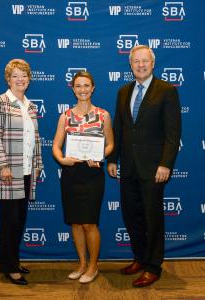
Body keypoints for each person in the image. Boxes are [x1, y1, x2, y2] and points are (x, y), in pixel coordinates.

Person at [107, 45, 181, 287]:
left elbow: (173, 133)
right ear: (130, 64)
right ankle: (139, 258)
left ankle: (153, 266)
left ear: (153, 63)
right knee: (131, 216)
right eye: (136, 61)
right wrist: (112, 159)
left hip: (153, 169)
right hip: (128, 167)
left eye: (145, 61)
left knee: (152, 218)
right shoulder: (123, 92)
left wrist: (165, 164)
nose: (140, 65)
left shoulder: (167, 91)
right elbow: (118, 128)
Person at [52, 71, 114, 284]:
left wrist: (99, 156)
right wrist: (62, 160)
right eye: (78, 86)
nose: (83, 90)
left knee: (89, 223)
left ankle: (93, 265)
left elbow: (111, 144)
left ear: (93, 87)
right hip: (72, 173)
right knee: (76, 223)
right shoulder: (66, 116)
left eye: (86, 85)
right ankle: (81, 263)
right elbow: (55, 146)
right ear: (73, 88)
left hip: (93, 174)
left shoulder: (103, 115)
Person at [0, 59, 43, 286]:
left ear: (29, 79)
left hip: (26, 169)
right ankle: (10, 268)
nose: (20, 80)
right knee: (10, 221)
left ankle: (11, 261)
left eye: (24, 76)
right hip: (9, 172)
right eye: (15, 76)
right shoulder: (0, 101)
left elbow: (35, 139)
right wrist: (3, 166)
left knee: (19, 220)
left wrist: (38, 163)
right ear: (8, 79)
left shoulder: (30, 106)